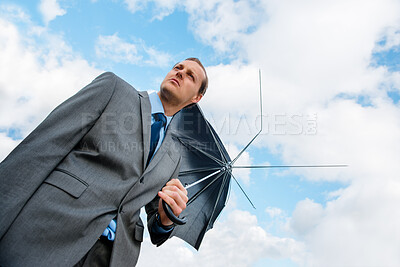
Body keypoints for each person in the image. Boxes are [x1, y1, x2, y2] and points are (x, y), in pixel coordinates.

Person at [0, 57, 208, 266]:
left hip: (112, 257)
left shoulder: (174, 156)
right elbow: (42, 148)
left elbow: (156, 225)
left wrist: (166, 219)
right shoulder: (113, 89)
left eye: (190, 75)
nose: (180, 72)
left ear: (196, 98)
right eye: (177, 67)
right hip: (51, 230)